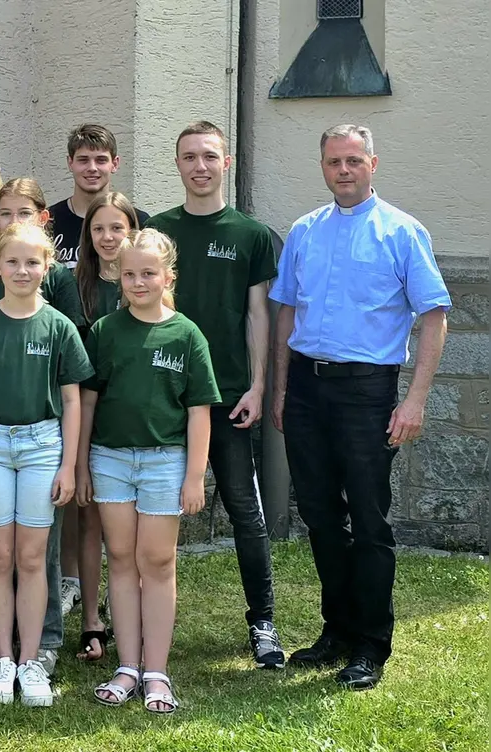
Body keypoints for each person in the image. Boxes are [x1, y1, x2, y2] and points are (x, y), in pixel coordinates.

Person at [270, 124, 450, 691]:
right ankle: (337, 630)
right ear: (321, 166)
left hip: (366, 391)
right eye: (332, 162)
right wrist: (278, 390)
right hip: (305, 388)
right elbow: (285, 313)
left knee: (368, 519)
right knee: (321, 516)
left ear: (373, 164)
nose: (343, 171)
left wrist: (415, 398)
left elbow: (434, 316)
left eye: (353, 161)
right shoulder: (304, 231)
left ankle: (371, 643)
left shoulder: (401, 231)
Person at [147, 121, 284, 669]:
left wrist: (256, 385)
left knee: (244, 511)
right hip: (161, 395)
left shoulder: (251, 235)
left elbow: (258, 315)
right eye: (189, 157)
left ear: (225, 164)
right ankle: (131, 624)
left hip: (227, 396)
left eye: (209, 156)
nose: (199, 166)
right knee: (146, 514)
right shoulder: (157, 230)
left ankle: (264, 624)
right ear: (177, 165)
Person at [0, 223, 92, 707]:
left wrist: (68, 466)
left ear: (47, 268)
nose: (22, 270)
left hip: (41, 446)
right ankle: (2, 658)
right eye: (12, 262)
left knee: (32, 558)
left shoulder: (59, 327)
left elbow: (72, 401)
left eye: (33, 262)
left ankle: (31, 662)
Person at [79, 229, 220, 714]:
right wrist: (81, 462)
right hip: (111, 460)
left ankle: (156, 671)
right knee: (120, 558)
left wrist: (195, 476)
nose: (139, 282)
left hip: (165, 462)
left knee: (157, 562)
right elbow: (89, 401)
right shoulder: (105, 332)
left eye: (149, 273)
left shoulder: (186, 334)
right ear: (119, 276)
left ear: (168, 277)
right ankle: (127, 667)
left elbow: (200, 410)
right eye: (130, 273)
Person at [69, 191, 142, 662]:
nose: (109, 237)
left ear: (133, 231)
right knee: (90, 517)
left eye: (118, 227)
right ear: (88, 237)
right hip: (85, 410)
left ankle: (132, 614)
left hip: (135, 418)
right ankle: (91, 618)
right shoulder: (75, 284)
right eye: (99, 229)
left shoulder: (144, 281)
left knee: (134, 526)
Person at [46, 125, 148, 270]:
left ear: (115, 163)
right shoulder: (48, 222)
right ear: (70, 163)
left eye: (101, 160)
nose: (92, 168)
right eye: (83, 160)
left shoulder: (138, 222)